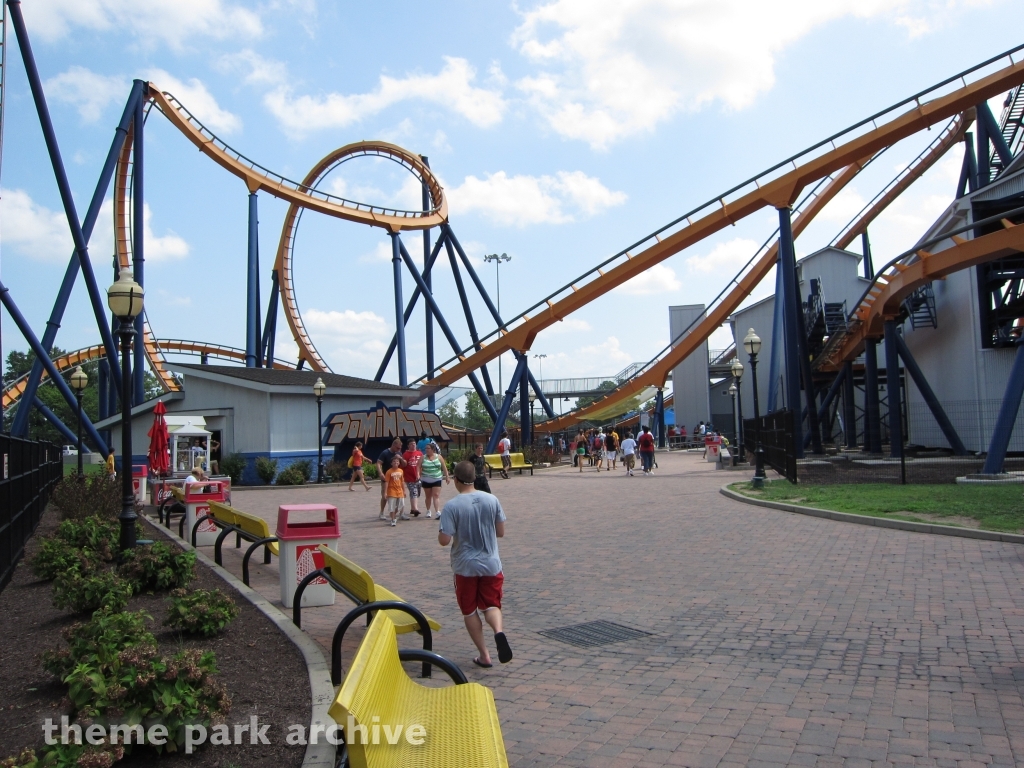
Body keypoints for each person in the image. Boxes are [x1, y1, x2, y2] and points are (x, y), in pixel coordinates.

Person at [438, 461, 512, 668]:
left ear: (455, 480)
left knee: (469, 610)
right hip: (491, 563)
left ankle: (484, 655)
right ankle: (498, 631)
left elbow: (444, 540)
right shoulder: (492, 499)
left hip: (465, 566)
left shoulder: (452, 506)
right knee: (491, 605)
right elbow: (501, 532)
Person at [376, 438, 407, 520]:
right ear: (393, 445)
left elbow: (404, 464)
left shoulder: (399, 453)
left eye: (400, 448)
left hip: (397, 478)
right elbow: (379, 463)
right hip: (387, 477)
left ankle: (401, 513)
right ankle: (382, 512)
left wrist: (400, 458)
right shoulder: (385, 452)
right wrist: (380, 473)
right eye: (397, 448)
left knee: (400, 496)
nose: (399, 449)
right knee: (385, 496)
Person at [419, 442, 450, 518]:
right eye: (426, 448)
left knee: (436, 495)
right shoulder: (423, 457)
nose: (426, 450)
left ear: (433, 449)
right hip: (426, 479)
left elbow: (444, 467)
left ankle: (437, 511)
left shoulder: (439, 457)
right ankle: (428, 510)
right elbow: (418, 467)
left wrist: (447, 476)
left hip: (437, 478)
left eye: (428, 448)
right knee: (428, 496)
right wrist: (418, 475)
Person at [403, 438, 424, 517]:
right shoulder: (405, 454)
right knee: (413, 491)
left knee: (417, 493)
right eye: (411, 444)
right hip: (410, 477)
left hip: (418, 477)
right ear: (408, 446)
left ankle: (412, 508)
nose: (413, 445)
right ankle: (415, 509)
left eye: (414, 443)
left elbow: (422, 464)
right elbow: (403, 465)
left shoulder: (419, 453)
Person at [383, 456, 406, 527]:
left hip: (399, 491)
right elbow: (386, 482)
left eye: (397, 461)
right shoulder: (389, 472)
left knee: (401, 505)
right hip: (392, 491)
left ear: (399, 463)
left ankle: (393, 514)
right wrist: (385, 492)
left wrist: (404, 490)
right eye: (394, 461)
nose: (396, 463)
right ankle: (393, 519)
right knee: (392, 506)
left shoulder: (401, 471)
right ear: (391, 463)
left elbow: (402, 481)